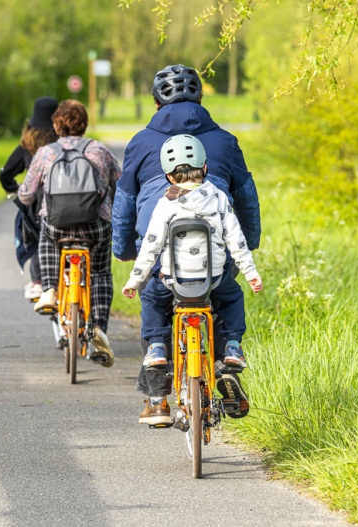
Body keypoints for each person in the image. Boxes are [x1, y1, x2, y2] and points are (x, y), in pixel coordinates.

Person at [112, 64, 262, 423]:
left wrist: (124, 250)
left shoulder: (141, 141)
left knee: (156, 301)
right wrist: (249, 244)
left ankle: (158, 401)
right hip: (214, 250)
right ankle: (227, 356)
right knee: (223, 297)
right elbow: (245, 196)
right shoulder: (225, 141)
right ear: (200, 97)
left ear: (154, 101)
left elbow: (125, 201)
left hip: (161, 249)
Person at [17, 100, 120, 366]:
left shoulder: (45, 153)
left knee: (47, 239)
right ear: (84, 124)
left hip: (57, 225)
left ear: (55, 124)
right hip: (95, 226)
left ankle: (50, 289)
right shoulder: (99, 150)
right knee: (99, 273)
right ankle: (98, 327)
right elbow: (120, 186)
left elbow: (26, 195)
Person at [0, 96, 59, 300]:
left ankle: (38, 281)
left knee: (30, 225)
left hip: (38, 207)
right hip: (69, 202)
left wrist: (16, 188)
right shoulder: (64, 141)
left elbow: (5, 174)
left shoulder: (28, 145)